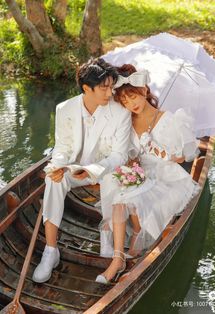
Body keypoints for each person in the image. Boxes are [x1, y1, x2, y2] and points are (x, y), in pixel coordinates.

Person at [96, 64, 200, 284]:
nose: (130, 104)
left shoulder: (170, 120)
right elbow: (128, 153)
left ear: (144, 91)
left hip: (165, 176)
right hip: (141, 172)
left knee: (128, 196)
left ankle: (136, 233)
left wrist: (169, 155)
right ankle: (118, 259)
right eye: (124, 101)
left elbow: (188, 155)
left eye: (133, 97)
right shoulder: (127, 121)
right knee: (116, 191)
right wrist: (132, 161)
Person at [32, 58, 131, 283]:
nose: (110, 93)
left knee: (114, 178)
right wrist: (58, 166)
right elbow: (62, 147)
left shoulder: (120, 114)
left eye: (111, 87)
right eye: (104, 88)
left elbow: (119, 155)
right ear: (87, 88)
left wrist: (91, 170)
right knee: (53, 181)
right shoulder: (65, 108)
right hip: (72, 170)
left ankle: (107, 234)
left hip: (103, 170)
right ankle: (51, 250)